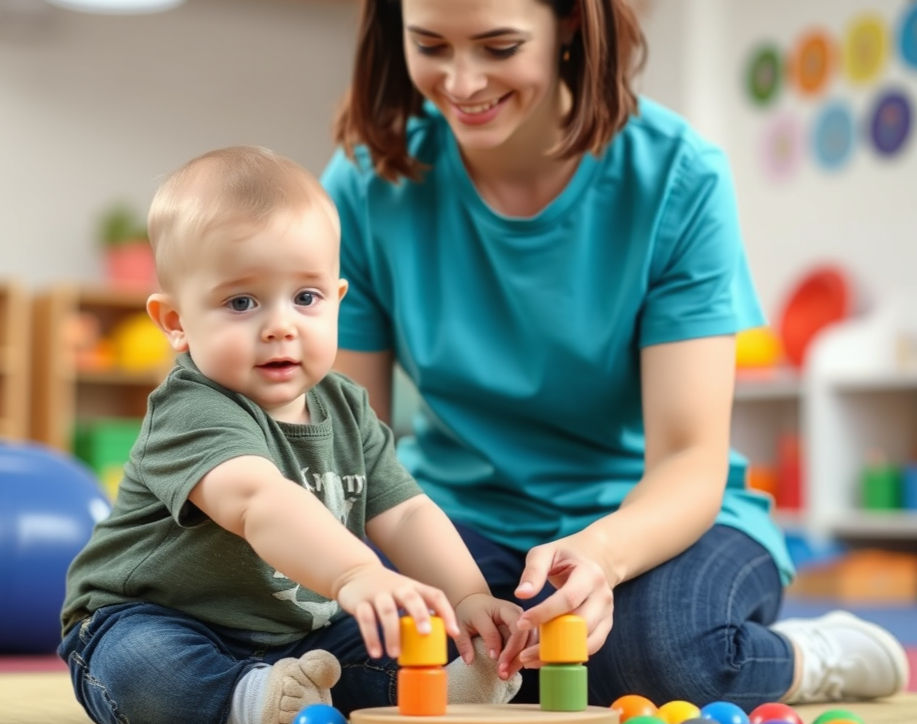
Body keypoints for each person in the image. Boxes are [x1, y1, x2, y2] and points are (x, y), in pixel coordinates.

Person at [321, 0, 910, 709]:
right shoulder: (362, 185)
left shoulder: (677, 177)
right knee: (347, 640)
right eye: (431, 46)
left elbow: (687, 457)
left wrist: (600, 556)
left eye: (498, 47)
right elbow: (354, 448)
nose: (462, 81)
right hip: (453, 520)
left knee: (664, 657)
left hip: (654, 515)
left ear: (571, 22)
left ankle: (808, 654)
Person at [58, 146, 527, 724]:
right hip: (157, 616)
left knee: (390, 635)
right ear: (176, 324)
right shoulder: (191, 407)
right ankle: (245, 701)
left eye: (305, 298)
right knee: (144, 670)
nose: (280, 326)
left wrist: (469, 597)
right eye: (241, 302)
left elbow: (404, 513)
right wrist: (356, 573)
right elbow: (258, 501)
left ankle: (430, 690)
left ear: (337, 301)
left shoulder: (347, 406)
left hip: (301, 634)